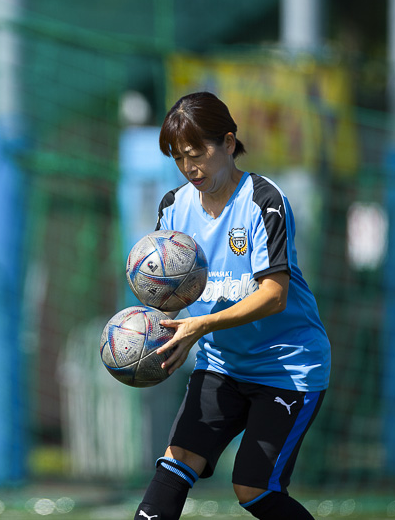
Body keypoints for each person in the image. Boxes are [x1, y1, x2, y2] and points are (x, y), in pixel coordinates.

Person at [133, 92, 330, 520]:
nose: (190, 167)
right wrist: (146, 335)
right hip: (223, 364)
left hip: (287, 369)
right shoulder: (173, 207)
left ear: (227, 141)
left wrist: (199, 325)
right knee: (176, 460)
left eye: (197, 152)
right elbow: (167, 295)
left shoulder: (263, 201)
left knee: (253, 488)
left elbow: (274, 295)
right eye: (178, 157)